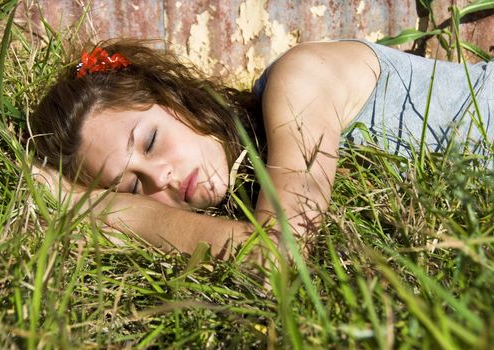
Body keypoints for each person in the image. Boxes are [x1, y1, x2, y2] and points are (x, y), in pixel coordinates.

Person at [31, 39, 494, 259]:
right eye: (133, 185)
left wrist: (98, 208)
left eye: (150, 141)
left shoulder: (296, 82)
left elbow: (278, 254)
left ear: (175, 98)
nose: (164, 178)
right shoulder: (251, 179)